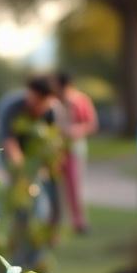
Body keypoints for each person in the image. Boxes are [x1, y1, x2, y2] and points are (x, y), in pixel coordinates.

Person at [0, 76, 63, 267]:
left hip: (36, 159)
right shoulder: (12, 107)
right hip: (13, 159)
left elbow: (52, 142)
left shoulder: (51, 111)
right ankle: (16, 252)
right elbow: (8, 141)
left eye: (37, 101)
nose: (32, 104)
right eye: (30, 98)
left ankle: (41, 246)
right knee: (21, 205)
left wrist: (45, 165)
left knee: (48, 200)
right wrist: (22, 171)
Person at [53, 71, 98, 234]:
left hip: (74, 148)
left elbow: (92, 124)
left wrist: (77, 130)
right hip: (55, 149)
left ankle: (79, 222)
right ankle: (56, 222)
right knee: (55, 187)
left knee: (75, 186)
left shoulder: (80, 100)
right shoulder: (54, 100)